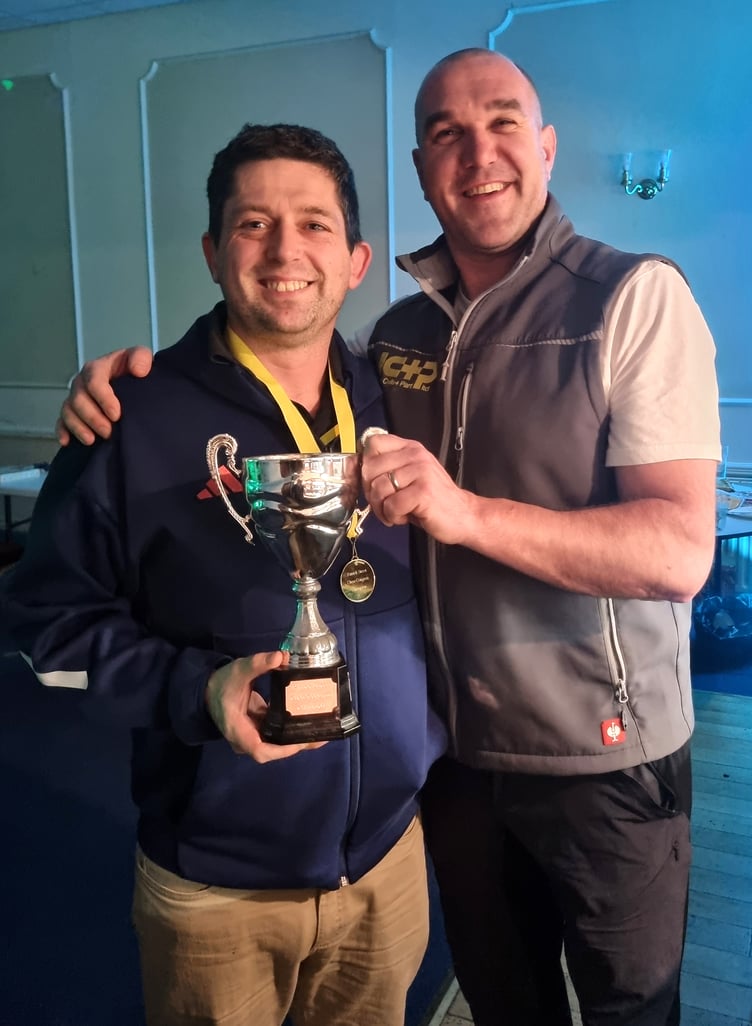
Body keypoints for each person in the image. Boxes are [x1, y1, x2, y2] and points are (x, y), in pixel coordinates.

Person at [52, 50, 721, 1026]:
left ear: (544, 148)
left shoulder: (607, 304)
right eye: (445, 133)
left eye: (500, 124)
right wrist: (110, 393)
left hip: (552, 782)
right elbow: (53, 631)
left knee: (629, 1011)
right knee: (505, 1004)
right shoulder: (353, 355)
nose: (476, 152)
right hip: (381, 806)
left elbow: (675, 553)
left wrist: (462, 512)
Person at [3, 123, 446, 1026]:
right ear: (213, 252)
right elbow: (50, 627)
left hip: (390, 861)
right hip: (216, 889)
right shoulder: (130, 416)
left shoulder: (400, 405)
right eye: (254, 224)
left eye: (315, 225)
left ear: (357, 259)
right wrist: (200, 691)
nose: (287, 250)